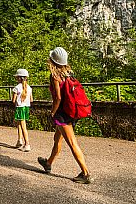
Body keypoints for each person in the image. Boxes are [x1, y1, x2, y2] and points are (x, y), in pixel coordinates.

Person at [37, 47, 92, 184]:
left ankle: (85, 173)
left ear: (52, 61)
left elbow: (58, 98)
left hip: (62, 114)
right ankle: (48, 163)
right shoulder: (69, 73)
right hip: (71, 111)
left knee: (72, 143)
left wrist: (53, 112)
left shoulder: (55, 76)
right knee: (57, 139)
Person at [12, 68, 33, 152]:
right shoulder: (29, 88)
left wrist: (17, 102)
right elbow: (31, 100)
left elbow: (13, 100)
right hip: (26, 107)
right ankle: (19, 140)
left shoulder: (16, 88)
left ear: (19, 78)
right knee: (19, 123)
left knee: (23, 125)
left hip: (20, 107)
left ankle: (27, 144)